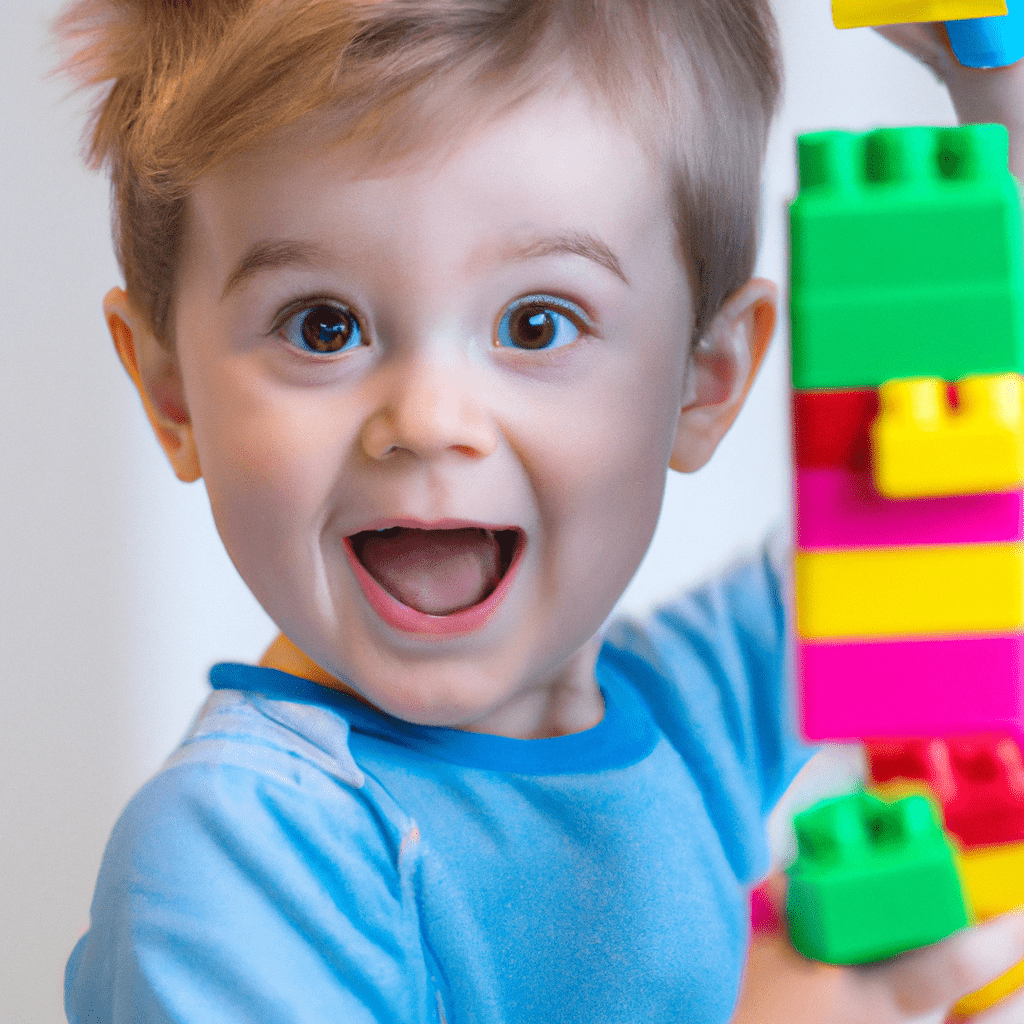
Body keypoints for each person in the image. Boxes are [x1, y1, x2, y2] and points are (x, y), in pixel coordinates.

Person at [55, 2, 1024, 1021]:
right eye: (323, 324)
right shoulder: (240, 856)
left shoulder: (690, 711)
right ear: (173, 397)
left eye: (536, 321)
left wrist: (994, 102)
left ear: (706, 379)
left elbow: (948, 493)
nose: (426, 420)